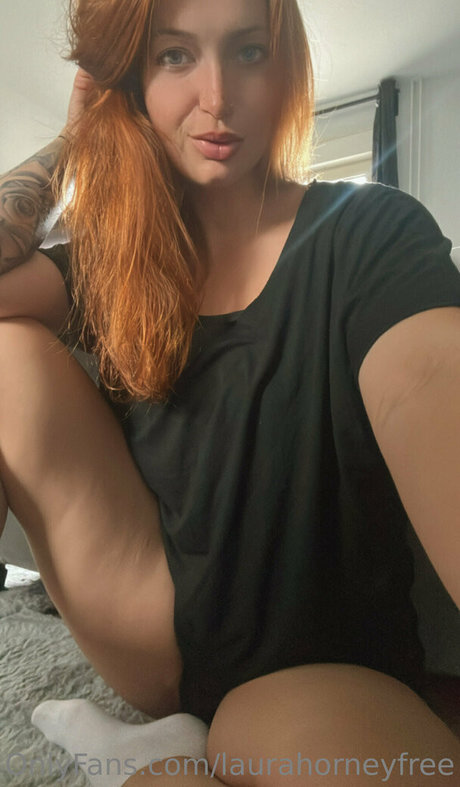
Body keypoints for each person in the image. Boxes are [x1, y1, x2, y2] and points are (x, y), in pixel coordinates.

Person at [1, 0, 460, 784]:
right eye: (175, 57)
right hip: (157, 628)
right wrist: (78, 142)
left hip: (325, 669)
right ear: (133, 83)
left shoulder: (369, 232)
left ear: (286, 70)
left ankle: (161, 756)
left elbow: (430, 385)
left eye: (248, 52)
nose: (216, 98)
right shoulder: (114, 266)